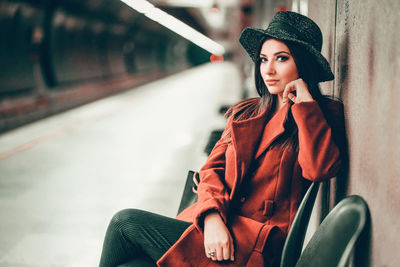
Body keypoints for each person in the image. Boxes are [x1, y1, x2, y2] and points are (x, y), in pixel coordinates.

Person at [99, 11, 346, 267]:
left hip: (256, 247)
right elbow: (210, 171)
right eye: (263, 60)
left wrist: (305, 106)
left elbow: (320, 169)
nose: (268, 70)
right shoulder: (246, 113)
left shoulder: (320, 115)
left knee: (124, 223)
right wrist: (212, 218)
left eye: (281, 59)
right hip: (220, 229)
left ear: (303, 64)